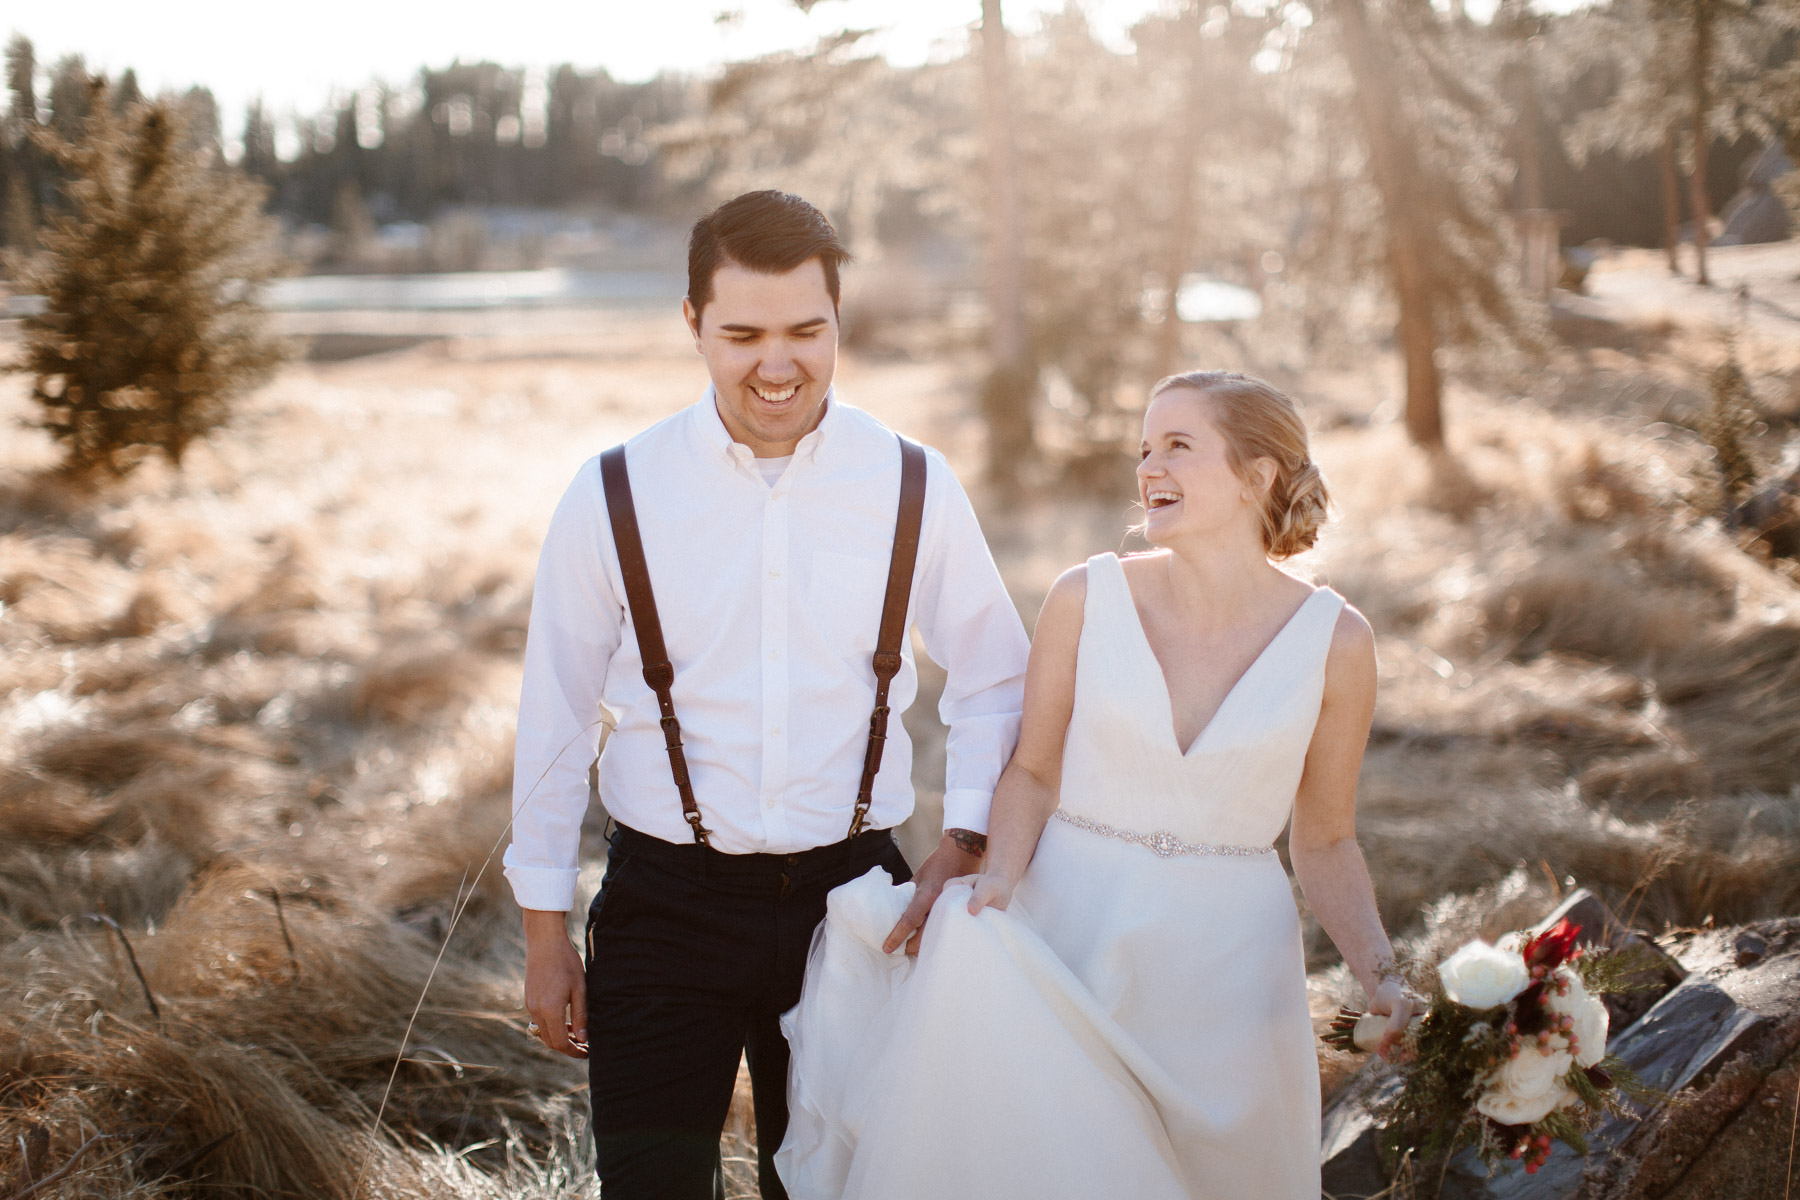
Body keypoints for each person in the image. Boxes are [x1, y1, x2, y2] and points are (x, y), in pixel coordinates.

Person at [503, 190, 1030, 1200]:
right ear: (693, 324)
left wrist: (963, 838)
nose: (777, 364)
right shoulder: (613, 493)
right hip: (665, 907)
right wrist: (542, 932)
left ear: (840, 322)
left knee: (836, 1191)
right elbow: (556, 714)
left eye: (806, 331)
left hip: (857, 906)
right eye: (742, 333)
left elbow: (997, 676)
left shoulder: (913, 483)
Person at [777, 370, 1418, 1200]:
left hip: (1229, 976)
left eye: (1178, 447)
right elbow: (1034, 772)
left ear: (1259, 475)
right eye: (1144, 449)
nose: (1149, 468)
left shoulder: (1338, 642)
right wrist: (1000, 880)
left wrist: (1380, 974)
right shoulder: (1085, 597)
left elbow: (1326, 837)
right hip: (1068, 937)